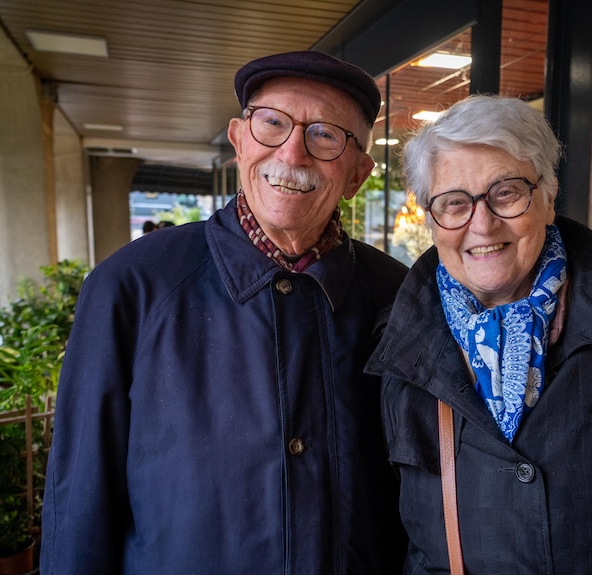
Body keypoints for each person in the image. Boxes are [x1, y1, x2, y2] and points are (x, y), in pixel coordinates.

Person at [40, 51, 408, 574]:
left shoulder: (396, 295)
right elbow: (79, 498)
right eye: (273, 123)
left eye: (326, 135)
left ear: (358, 174)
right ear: (239, 140)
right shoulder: (133, 285)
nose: (293, 153)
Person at [366, 95, 592, 574]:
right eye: (454, 203)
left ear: (548, 197)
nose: (481, 224)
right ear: (431, 219)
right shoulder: (400, 344)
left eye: (506, 192)